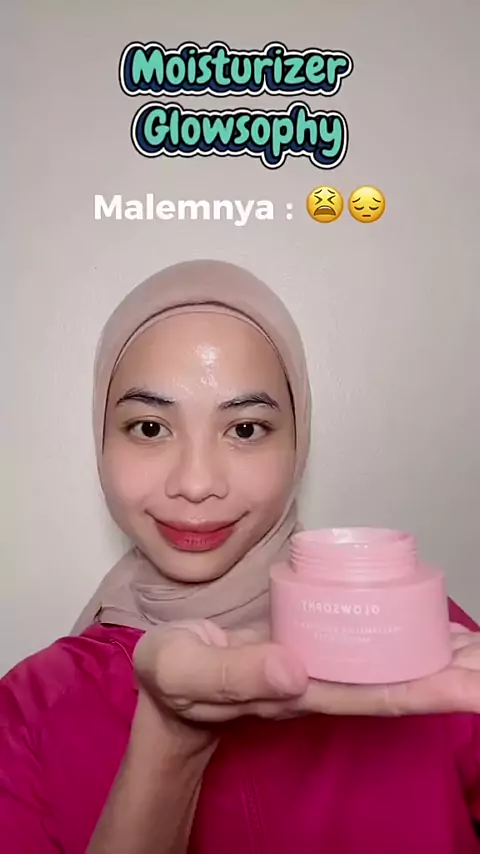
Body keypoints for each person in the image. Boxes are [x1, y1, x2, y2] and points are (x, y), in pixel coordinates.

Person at [1, 259, 479, 854]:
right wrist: (169, 740)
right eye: (149, 428)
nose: (196, 483)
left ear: (298, 441)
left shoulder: (423, 644)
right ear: (101, 438)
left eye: (246, 429)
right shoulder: (29, 711)